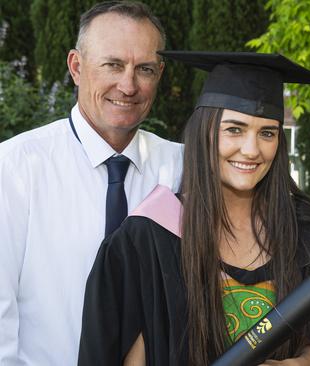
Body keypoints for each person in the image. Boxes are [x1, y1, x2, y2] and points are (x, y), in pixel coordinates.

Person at [78, 52, 310, 366]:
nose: (251, 149)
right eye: (234, 130)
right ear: (205, 133)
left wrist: (304, 363)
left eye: (267, 133)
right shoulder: (147, 238)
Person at [0, 2, 182, 366]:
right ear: (76, 67)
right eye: (113, 65)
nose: (128, 85)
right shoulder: (15, 169)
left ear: (159, 73)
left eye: (144, 69)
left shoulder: (183, 167)